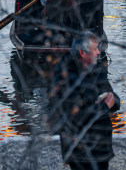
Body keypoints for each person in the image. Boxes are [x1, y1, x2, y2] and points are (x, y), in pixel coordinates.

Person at [51, 32, 120, 170]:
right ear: (83, 53)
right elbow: (77, 116)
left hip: (101, 149)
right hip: (81, 152)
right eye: (95, 49)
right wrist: (104, 106)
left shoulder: (97, 69)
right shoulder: (66, 77)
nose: (98, 52)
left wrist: (110, 103)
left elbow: (115, 101)